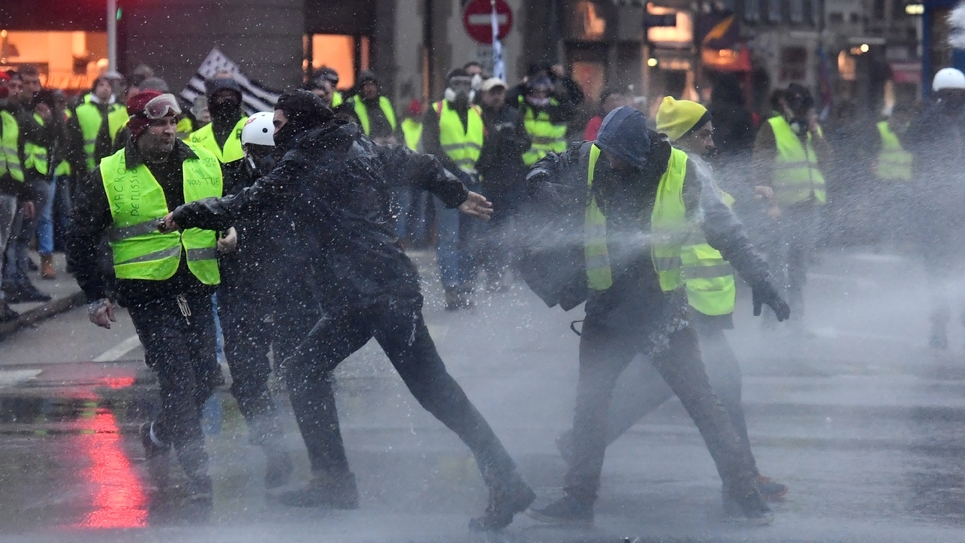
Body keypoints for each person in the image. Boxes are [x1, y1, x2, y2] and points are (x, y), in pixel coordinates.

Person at [162, 90, 535, 532]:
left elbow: (247, 203)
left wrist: (185, 214)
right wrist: (453, 193)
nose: (274, 132)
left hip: (380, 294)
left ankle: (506, 479)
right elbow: (420, 165)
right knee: (303, 369)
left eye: (279, 125)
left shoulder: (306, 163)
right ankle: (333, 479)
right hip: (364, 295)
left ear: (301, 123)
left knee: (436, 392)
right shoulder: (356, 145)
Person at [521, 106, 789, 525]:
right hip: (607, 308)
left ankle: (744, 494)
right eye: (605, 152)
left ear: (641, 152)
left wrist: (764, 281)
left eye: (617, 156)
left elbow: (727, 231)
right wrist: (539, 181)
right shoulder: (594, 154)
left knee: (704, 403)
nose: (609, 161)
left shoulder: (683, 172)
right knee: (590, 405)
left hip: (661, 309)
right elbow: (551, 162)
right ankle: (578, 500)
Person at [67, 91, 226, 518]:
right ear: (138, 127)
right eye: (159, 124)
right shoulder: (111, 172)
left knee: (208, 377)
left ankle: (157, 434)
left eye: (173, 122)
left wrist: (230, 231)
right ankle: (198, 475)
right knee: (179, 379)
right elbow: (80, 236)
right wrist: (95, 295)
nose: (169, 130)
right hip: (148, 293)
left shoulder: (204, 160)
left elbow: (227, 209)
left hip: (196, 284)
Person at [751, 83, 830, 324]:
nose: (801, 115)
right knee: (776, 268)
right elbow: (760, 168)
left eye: (805, 110)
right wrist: (769, 204)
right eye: (797, 109)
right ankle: (771, 323)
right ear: (785, 106)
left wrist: (814, 133)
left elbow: (827, 161)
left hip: (808, 208)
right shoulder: (772, 128)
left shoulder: (812, 131)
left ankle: (796, 321)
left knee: (798, 269)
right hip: (781, 210)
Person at [904, 68, 965, 349]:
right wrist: (929, 115)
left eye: (959, 96)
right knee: (938, 266)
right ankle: (939, 322)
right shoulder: (929, 121)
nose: (955, 101)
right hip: (934, 207)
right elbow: (909, 142)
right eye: (949, 96)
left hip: (957, 207)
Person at [422, 68, 486, 309]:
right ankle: (452, 288)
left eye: (466, 83)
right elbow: (431, 147)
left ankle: (467, 286)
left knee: (471, 236)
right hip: (446, 180)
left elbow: (485, 145)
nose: (462, 88)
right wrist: (453, 169)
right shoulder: (436, 111)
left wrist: (479, 167)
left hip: (473, 178)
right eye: (457, 83)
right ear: (448, 86)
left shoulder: (478, 111)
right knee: (449, 236)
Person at [476, 77, 531, 291]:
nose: (497, 96)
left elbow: (526, 143)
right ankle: (491, 274)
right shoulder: (477, 115)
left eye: (500, 92)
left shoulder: (513, 115)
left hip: (512, 179)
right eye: (492, 92)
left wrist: (511, 143)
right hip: (488, 180)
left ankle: (510, 272)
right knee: (490, 230)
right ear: (484, 95)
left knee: (512, 228)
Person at [6, 65, 53, 303]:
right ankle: (13, 285)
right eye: (15, 85)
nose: (23, 90)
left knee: (20, 239)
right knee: (14, 240)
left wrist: (49, 121)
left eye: (22, 85)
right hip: (19, 184)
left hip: (30, 181)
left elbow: (47, 140)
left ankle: (18, 283)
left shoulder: (27, 111)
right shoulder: (14, 113)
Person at [0, 83, 32, 321]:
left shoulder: (11, 118)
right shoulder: (10, 118)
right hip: (6, 188)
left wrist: (25, 194)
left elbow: (18, 154)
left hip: (10, 188)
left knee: (3, 246)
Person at [511, 64, 577, 167]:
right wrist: (522, 86)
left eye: (545, 84)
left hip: (554, 161)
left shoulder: (557, 105)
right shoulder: (520, 103)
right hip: (525, 162)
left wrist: (563, 79)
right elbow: (507, 98)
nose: (540, 91)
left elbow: (576, 100)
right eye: (536, 89)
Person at [187, 77, 247, 164]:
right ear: (210, 101)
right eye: (220, 96)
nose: (226, 100)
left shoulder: (251, 127)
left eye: (231, 96)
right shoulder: (196, 137)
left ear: (238, 100)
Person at [341, 70, 398, 144]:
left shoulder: (385, 102)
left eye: (372, 84)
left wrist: (395, 139)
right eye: (365, 85)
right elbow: (351, 134)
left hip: (389, 151)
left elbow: (398, 127)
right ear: (360, 88)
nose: (369, 88)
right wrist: (371, 142)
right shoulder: (351, 104)